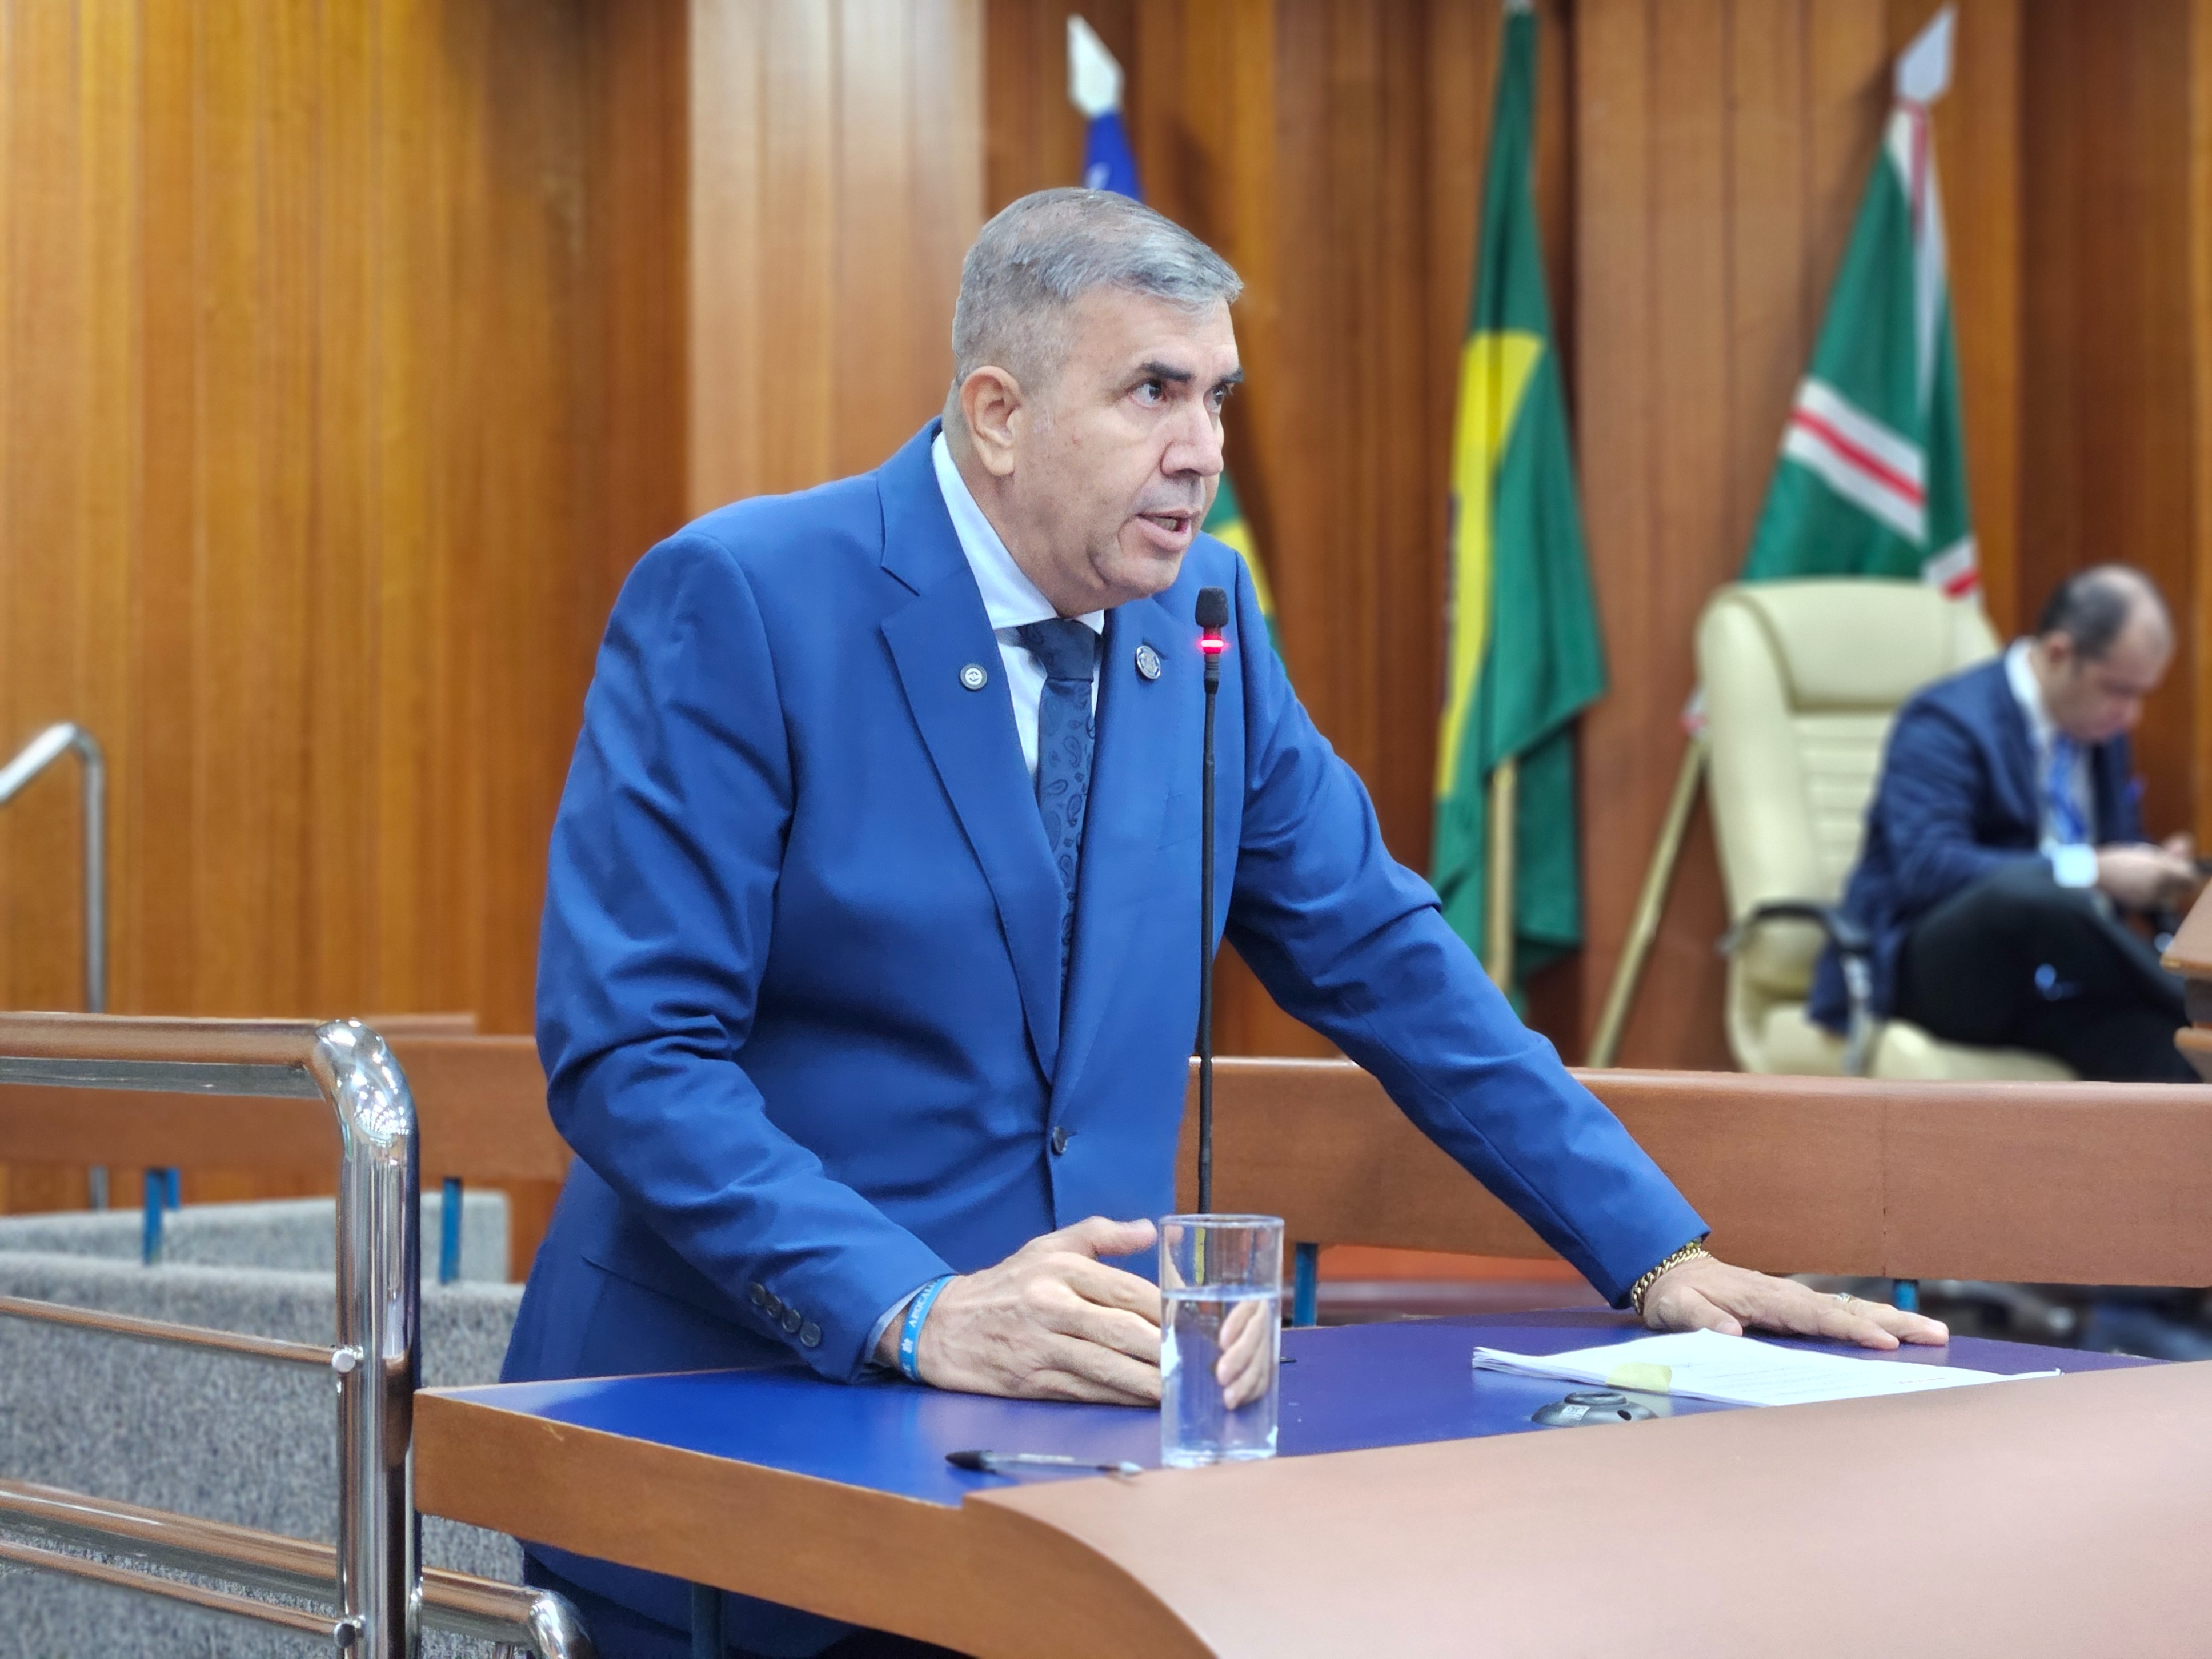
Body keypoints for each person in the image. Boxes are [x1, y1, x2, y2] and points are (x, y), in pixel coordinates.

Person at [506, 188, 1943, 1659]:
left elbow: (1380, 950)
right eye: (1151, 391)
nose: (1200, 450)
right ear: (997, 413)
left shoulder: (1201, 613)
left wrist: (1654, 1253)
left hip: (1063, 1460)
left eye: (1216, 397)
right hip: (732, 1429)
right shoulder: (746, 598)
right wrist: (915, 1308)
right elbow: (635, 1055)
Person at [1810, 565, 2197, 1081]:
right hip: (1950, 974)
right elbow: (1929, 869)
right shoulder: (1945, 722)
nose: (2131, 716)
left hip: (2058, 983)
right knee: (2028, 896)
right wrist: (2093, 870)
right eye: (2119, 690)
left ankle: (2192, 1018)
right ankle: (2194, 1000)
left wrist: (2150, 870)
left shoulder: (2098, 730)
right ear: (2059, 654)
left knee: (2184, 1056)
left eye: (2141, 694)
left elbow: (2110, 852)